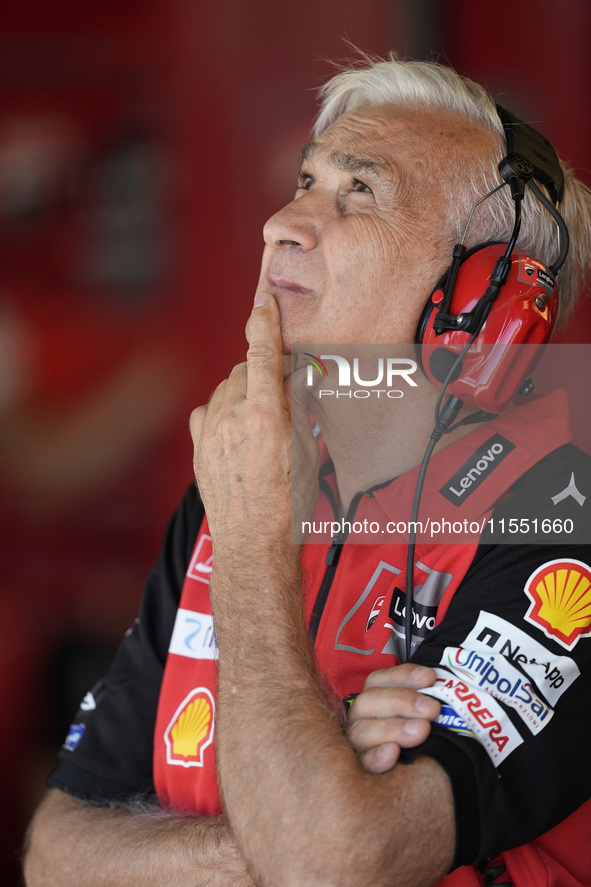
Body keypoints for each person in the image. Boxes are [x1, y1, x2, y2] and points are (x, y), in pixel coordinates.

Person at [24, 55, 591, 887]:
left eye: (357, 192)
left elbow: (328, 864)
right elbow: (57, 852)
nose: (280, 223)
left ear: (481, 294)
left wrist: (254, 547)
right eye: (303, 180)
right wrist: (308, 791)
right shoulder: (246, 473)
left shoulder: (554, 512)